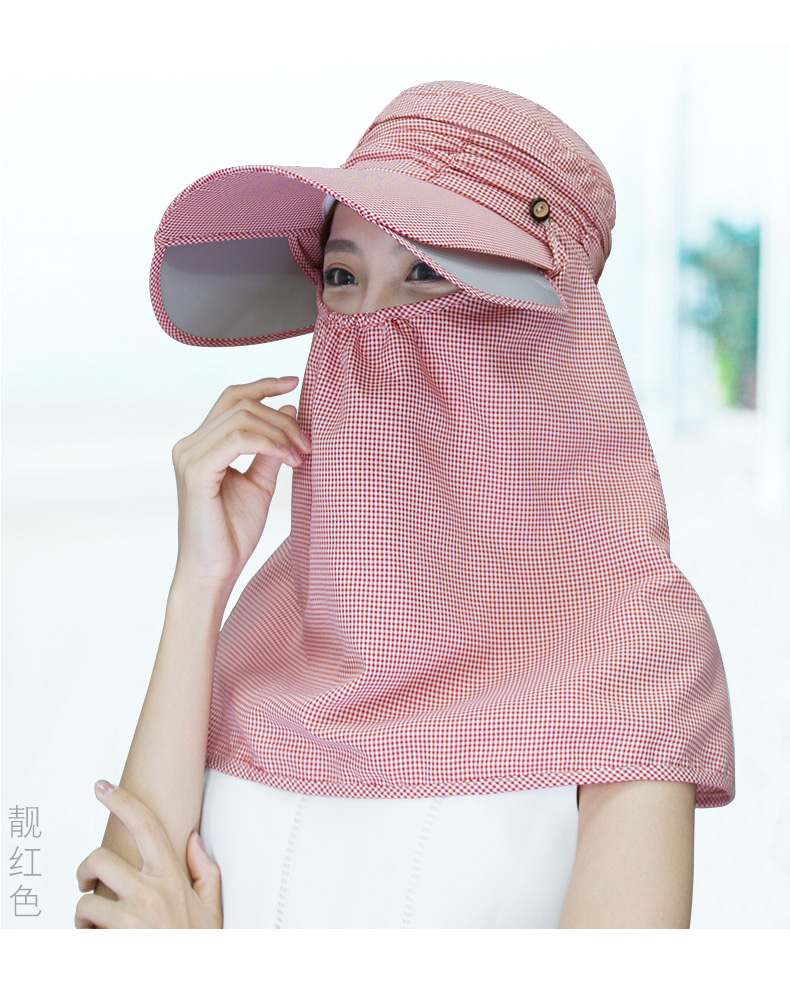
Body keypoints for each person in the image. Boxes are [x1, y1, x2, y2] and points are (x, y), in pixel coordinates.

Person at [75, 80, 735, 929]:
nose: (370, 321)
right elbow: (114, 926)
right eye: (342, 275)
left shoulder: (632, 647)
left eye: (426, 271)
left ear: (549, 331)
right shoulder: (265, 621)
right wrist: (198, 585)